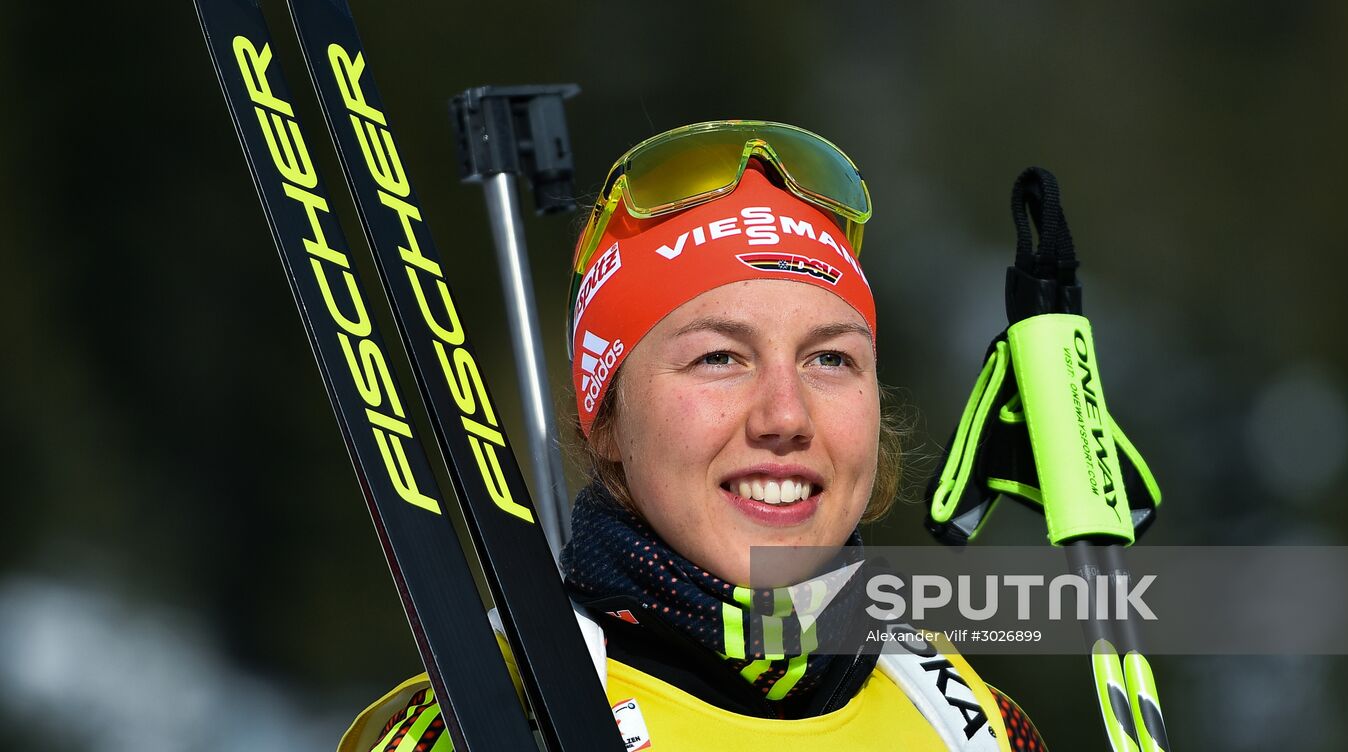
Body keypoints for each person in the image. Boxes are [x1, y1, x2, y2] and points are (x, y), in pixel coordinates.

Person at [339, 121, 1046, 751]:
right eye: (719, 358)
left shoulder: (972, 722)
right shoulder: (473, 721)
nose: (786, 416)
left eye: (830, 358)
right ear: (609, 418)